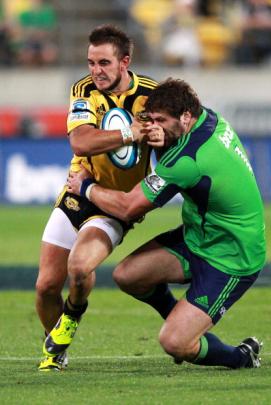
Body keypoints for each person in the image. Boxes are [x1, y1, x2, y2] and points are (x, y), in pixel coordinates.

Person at [67, 78, 266, 369]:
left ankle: (241, 357)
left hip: (231, 256)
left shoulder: (188, 160)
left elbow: (128, 207)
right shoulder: (205, 117)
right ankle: (183, 318)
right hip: (199, 237)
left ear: (185, 117)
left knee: (175, 342)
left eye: (161, 120)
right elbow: (171, 144)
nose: (154, 127)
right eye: (152, 119)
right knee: (128, 276)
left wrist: (85, 188)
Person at [36, 24, 159, 371]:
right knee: (46, 286)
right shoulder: (83, 89)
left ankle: (71, 318)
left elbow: (170, 138)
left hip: (116, 203)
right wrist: (128, 132)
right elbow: (81, 143)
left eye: (103, 63)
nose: (95, 71)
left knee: (80, 267)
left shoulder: (151, 95)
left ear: (125, 62)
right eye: (91, 62)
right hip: (78, 188)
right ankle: (57, 348)